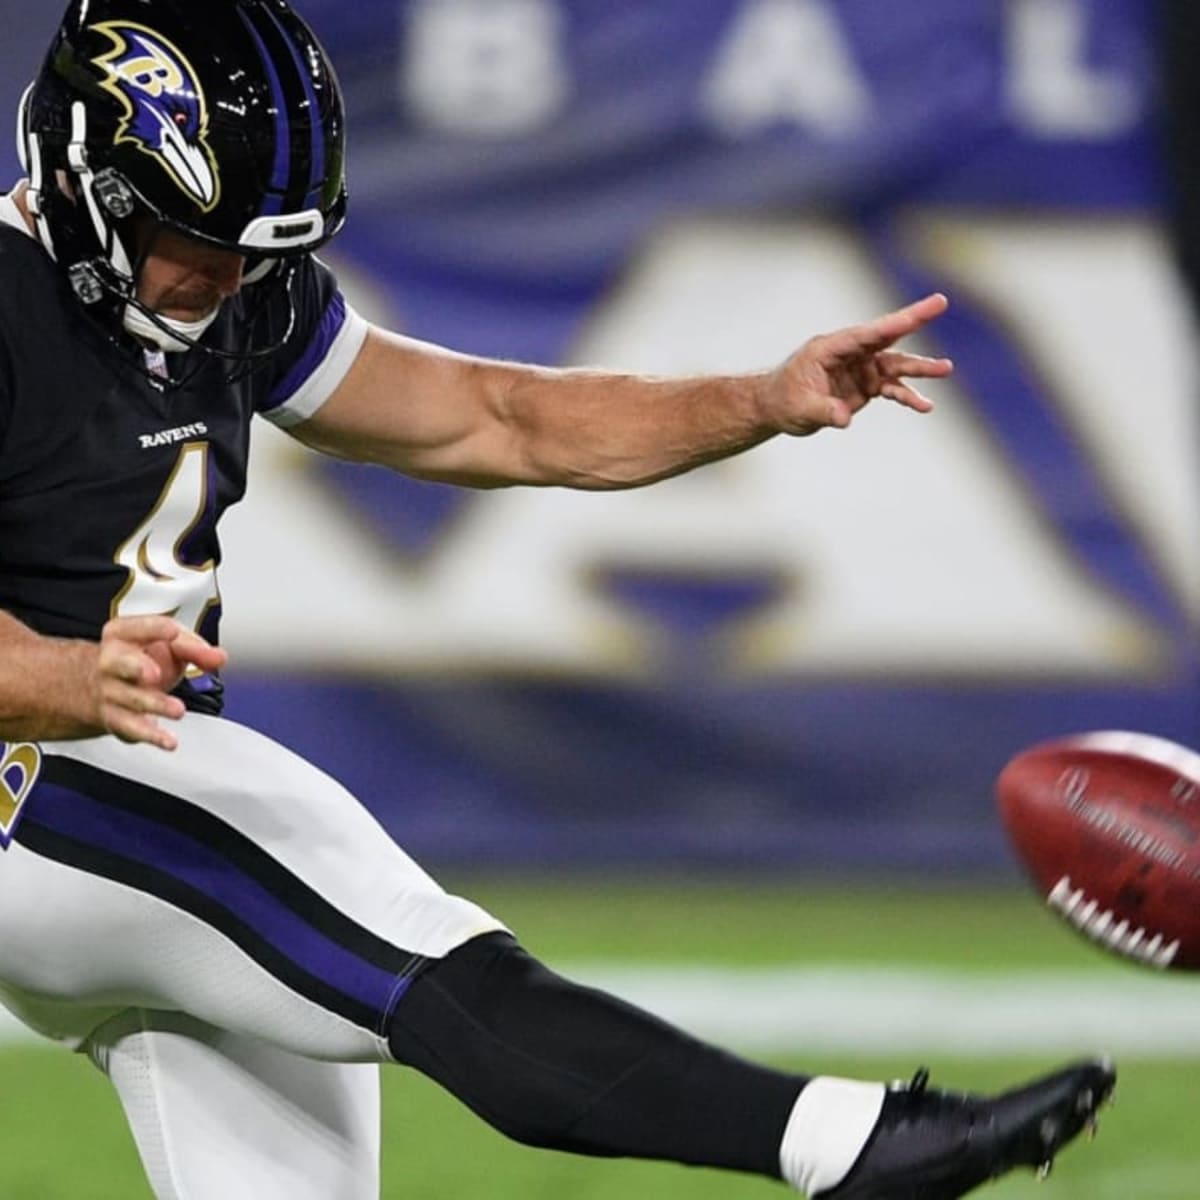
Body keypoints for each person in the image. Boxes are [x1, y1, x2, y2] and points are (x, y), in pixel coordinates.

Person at [0, 2, 1114, 1197]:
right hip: (34, 782)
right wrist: (64, 677)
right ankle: (849, 1143)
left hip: (114, 799)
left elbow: (501, 417)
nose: (226, 280)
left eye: (253, 253)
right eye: (195, 243)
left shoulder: (240, 289)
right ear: (84, 181)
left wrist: (760, 397)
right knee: (402, 932)